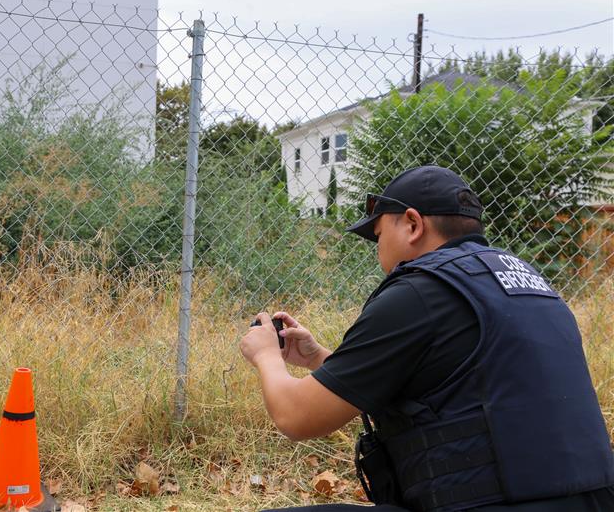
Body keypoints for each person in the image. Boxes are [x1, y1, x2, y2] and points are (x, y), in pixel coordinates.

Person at [239, 166, 614, 512]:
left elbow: (296, 417)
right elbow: (457, 391)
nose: (379, 252)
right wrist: (322, 360)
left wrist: (267, 355)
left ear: (413, 225)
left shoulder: (419, 291)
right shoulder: (525, 281)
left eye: (380, 235)